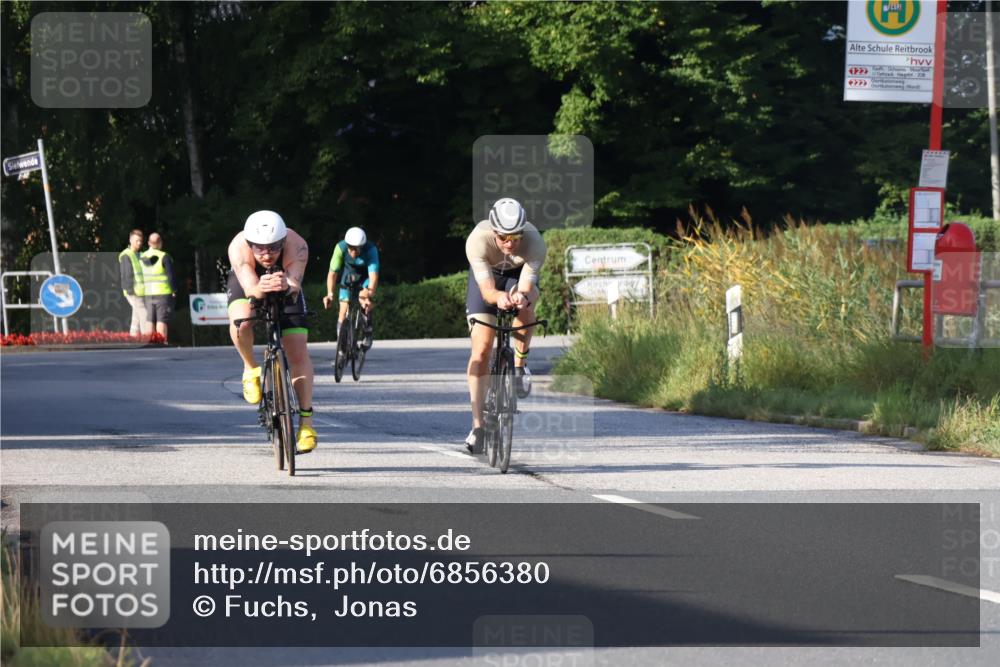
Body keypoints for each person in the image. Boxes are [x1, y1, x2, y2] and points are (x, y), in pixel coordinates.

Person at [227, 211, 318, 454]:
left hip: (285, 283)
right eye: (260, 249)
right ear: (249, 244)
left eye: (273, 248)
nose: (266, 255)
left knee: (297, 349)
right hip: (250, 283)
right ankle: (249, 368)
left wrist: (287, 284)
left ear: (283, 242)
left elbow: (295, 283)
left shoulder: (297, 245)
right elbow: (249, 287)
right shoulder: (238, 247)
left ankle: (306, 424)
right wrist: (259, 289)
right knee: (242, 321)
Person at [463, 198, 546, 454]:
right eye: (503, 238)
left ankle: (520, 364)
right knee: (481, 350)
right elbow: (487, 291)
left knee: (527, 304)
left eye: (516, 237)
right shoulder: (478, 240)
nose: (510, 244)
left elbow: (526, 286)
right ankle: (478, 426)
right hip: (487, 280)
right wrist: (498, 297)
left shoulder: (535, 242)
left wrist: (521, 296)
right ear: (494, 233)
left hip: (516, 277)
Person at [322, 226, 379, 349]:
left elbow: (373, 276)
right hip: (348, 276)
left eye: (357, 249)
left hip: (365, 278)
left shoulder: (370, 250)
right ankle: (342, 348)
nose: (353, 252)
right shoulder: (340, 248)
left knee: (363, 299)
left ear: (362, 247)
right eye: (351, 248)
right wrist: (330, 294)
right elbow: (332, 273)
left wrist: (369, 294)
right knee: (343, 311)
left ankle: (367, 329)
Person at [140, 232, 176, 343]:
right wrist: (174, 290)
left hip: (147, 293)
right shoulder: (164, 256)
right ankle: (162, 343)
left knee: (149, 320)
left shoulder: (141, 257)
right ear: (160, 243)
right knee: (162, 319)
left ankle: (149, 344)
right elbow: (170, 276)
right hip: (163, 293)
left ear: (149, 243)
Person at [118, 228, 149, 337]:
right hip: (133, 291)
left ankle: (133, 336)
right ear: (130, 240)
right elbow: (127, 273)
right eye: (137, 241)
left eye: (140, 241)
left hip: (140, 291)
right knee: (143, 312)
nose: (139, 243)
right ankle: (147, 338)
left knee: (136, 315)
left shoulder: (141, 255)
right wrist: (130, 290)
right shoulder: (126, 255)